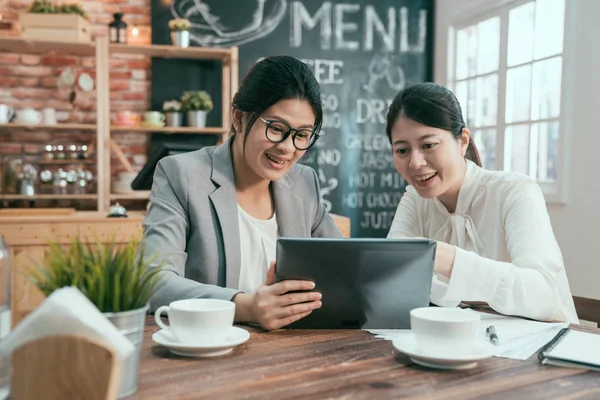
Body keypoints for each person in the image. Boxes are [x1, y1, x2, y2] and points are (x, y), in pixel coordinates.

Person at [142, 55, 342, 331]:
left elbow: (343, 267)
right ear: (239, 117)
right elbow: (153, 281)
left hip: (293, 351)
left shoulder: (304, 183)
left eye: (302, 134)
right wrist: (247, 307)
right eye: (276, 128)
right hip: (211, 349)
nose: (287, 147)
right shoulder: (181, 175)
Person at [386, 82, 578, 323]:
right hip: (455, 344)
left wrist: (447, 258)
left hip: (542, 349)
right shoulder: (414, 199)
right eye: (402, 150)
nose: (415, 163)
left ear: (462, 140)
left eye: (428, 145)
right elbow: (391, 276)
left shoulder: (515, 191)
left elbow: (546, 295)